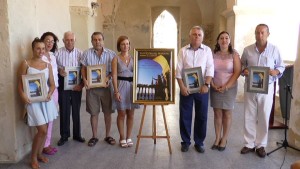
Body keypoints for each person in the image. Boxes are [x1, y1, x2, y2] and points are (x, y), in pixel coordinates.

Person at [240, 24, 285, 158]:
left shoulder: (274, 50)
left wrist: (275, 71)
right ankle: (249, 143)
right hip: (251, 87)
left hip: (267, 88)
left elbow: (281, 66)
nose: (259, 35)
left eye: (262, 33)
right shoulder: (247, 50)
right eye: (257, 33)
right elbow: (242, 65)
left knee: (264, 116)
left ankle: (260, 145)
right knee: (249, 115)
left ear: (268, 34)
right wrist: (244, 70)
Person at [18, 38, 58, 169]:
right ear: (33, 49)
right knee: (42, 130)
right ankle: (33, 158)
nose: (41, 51)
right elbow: (20, 85)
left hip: (46, 100)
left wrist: (49, 94)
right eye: (38, 48)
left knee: (45, 131)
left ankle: (40, 154)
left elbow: (52, 85)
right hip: (32, 102)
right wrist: (23, 96)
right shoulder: (25, 64)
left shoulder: (48, 65)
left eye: (42, 48)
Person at [175, 26, 214, 153]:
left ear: (202, 37)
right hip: (186, 89)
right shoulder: (183, 51)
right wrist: (181, 87)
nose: (196, 36)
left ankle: (199, 142)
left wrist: (206, 85)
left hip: (202, 89)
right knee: (185, 115)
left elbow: (210, 68)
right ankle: (185, 142)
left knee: (201, 116)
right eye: (194, 34)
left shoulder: (207, 51)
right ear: (190, 36)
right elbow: (179, 71)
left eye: (199, 35)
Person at [81, 32, 116, 147]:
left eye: (100, 39)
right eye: (95, 40)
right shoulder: (86, 54)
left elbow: (113, 72)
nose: (98, 42)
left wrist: (107, 77)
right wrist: (85, 79)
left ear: (103, 40)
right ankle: (94, 136)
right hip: (92, 89)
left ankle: (108, 135)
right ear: (92, 41)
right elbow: (83, 68)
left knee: (107, 112)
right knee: (93, 113)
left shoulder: (111, 54)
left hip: (106, 88)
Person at [210, 31, 241, 151]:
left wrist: (227, 86)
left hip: (230, 88)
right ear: (218, 41)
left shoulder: (234, 54)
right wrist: (211, 83)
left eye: (226, 38)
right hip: (215, 87)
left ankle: (224, 139)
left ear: (230, 40)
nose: (224, 40)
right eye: (221, 38)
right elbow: (209, 69)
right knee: (217, 113)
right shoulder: (212, 54)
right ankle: (217, 138)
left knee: (227, 113)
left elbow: (237, 71)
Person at [56, 31, 85, 146]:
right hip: (63, 83)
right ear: (63, 41)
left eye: (71, 40)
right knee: (64, 109)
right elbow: (54, 67)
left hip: (76, 83)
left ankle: (77, 134)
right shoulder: (57, 53)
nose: (69, 42)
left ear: (75, 40)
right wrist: (59, 70)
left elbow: (84, 69)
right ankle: (64, 136)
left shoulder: (80, 53)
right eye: (67, 40)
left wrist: (82, 84)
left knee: (76, 110)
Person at [112, 36, 139, 148]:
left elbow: (138, 74)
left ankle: (129, 137)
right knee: (122, 113)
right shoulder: (115, 59)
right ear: (119, 46)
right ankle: (122, 137)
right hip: (121, 86)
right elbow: (114, 75)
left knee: (131, 113)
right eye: (123, 44)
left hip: (132, 87)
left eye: (127, 44)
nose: (125, 46)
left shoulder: (133, 59)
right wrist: (116, 91)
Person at [40, 32, 59, 155]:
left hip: (55, 90)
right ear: (42, 41)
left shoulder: (52, 56)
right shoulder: (40, 57)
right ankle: (43, 145)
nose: (50, 43)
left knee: (51, 118)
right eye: (47, 40)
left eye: (52, 41)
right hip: (44, 92)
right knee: (44, 119)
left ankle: (47, 143)